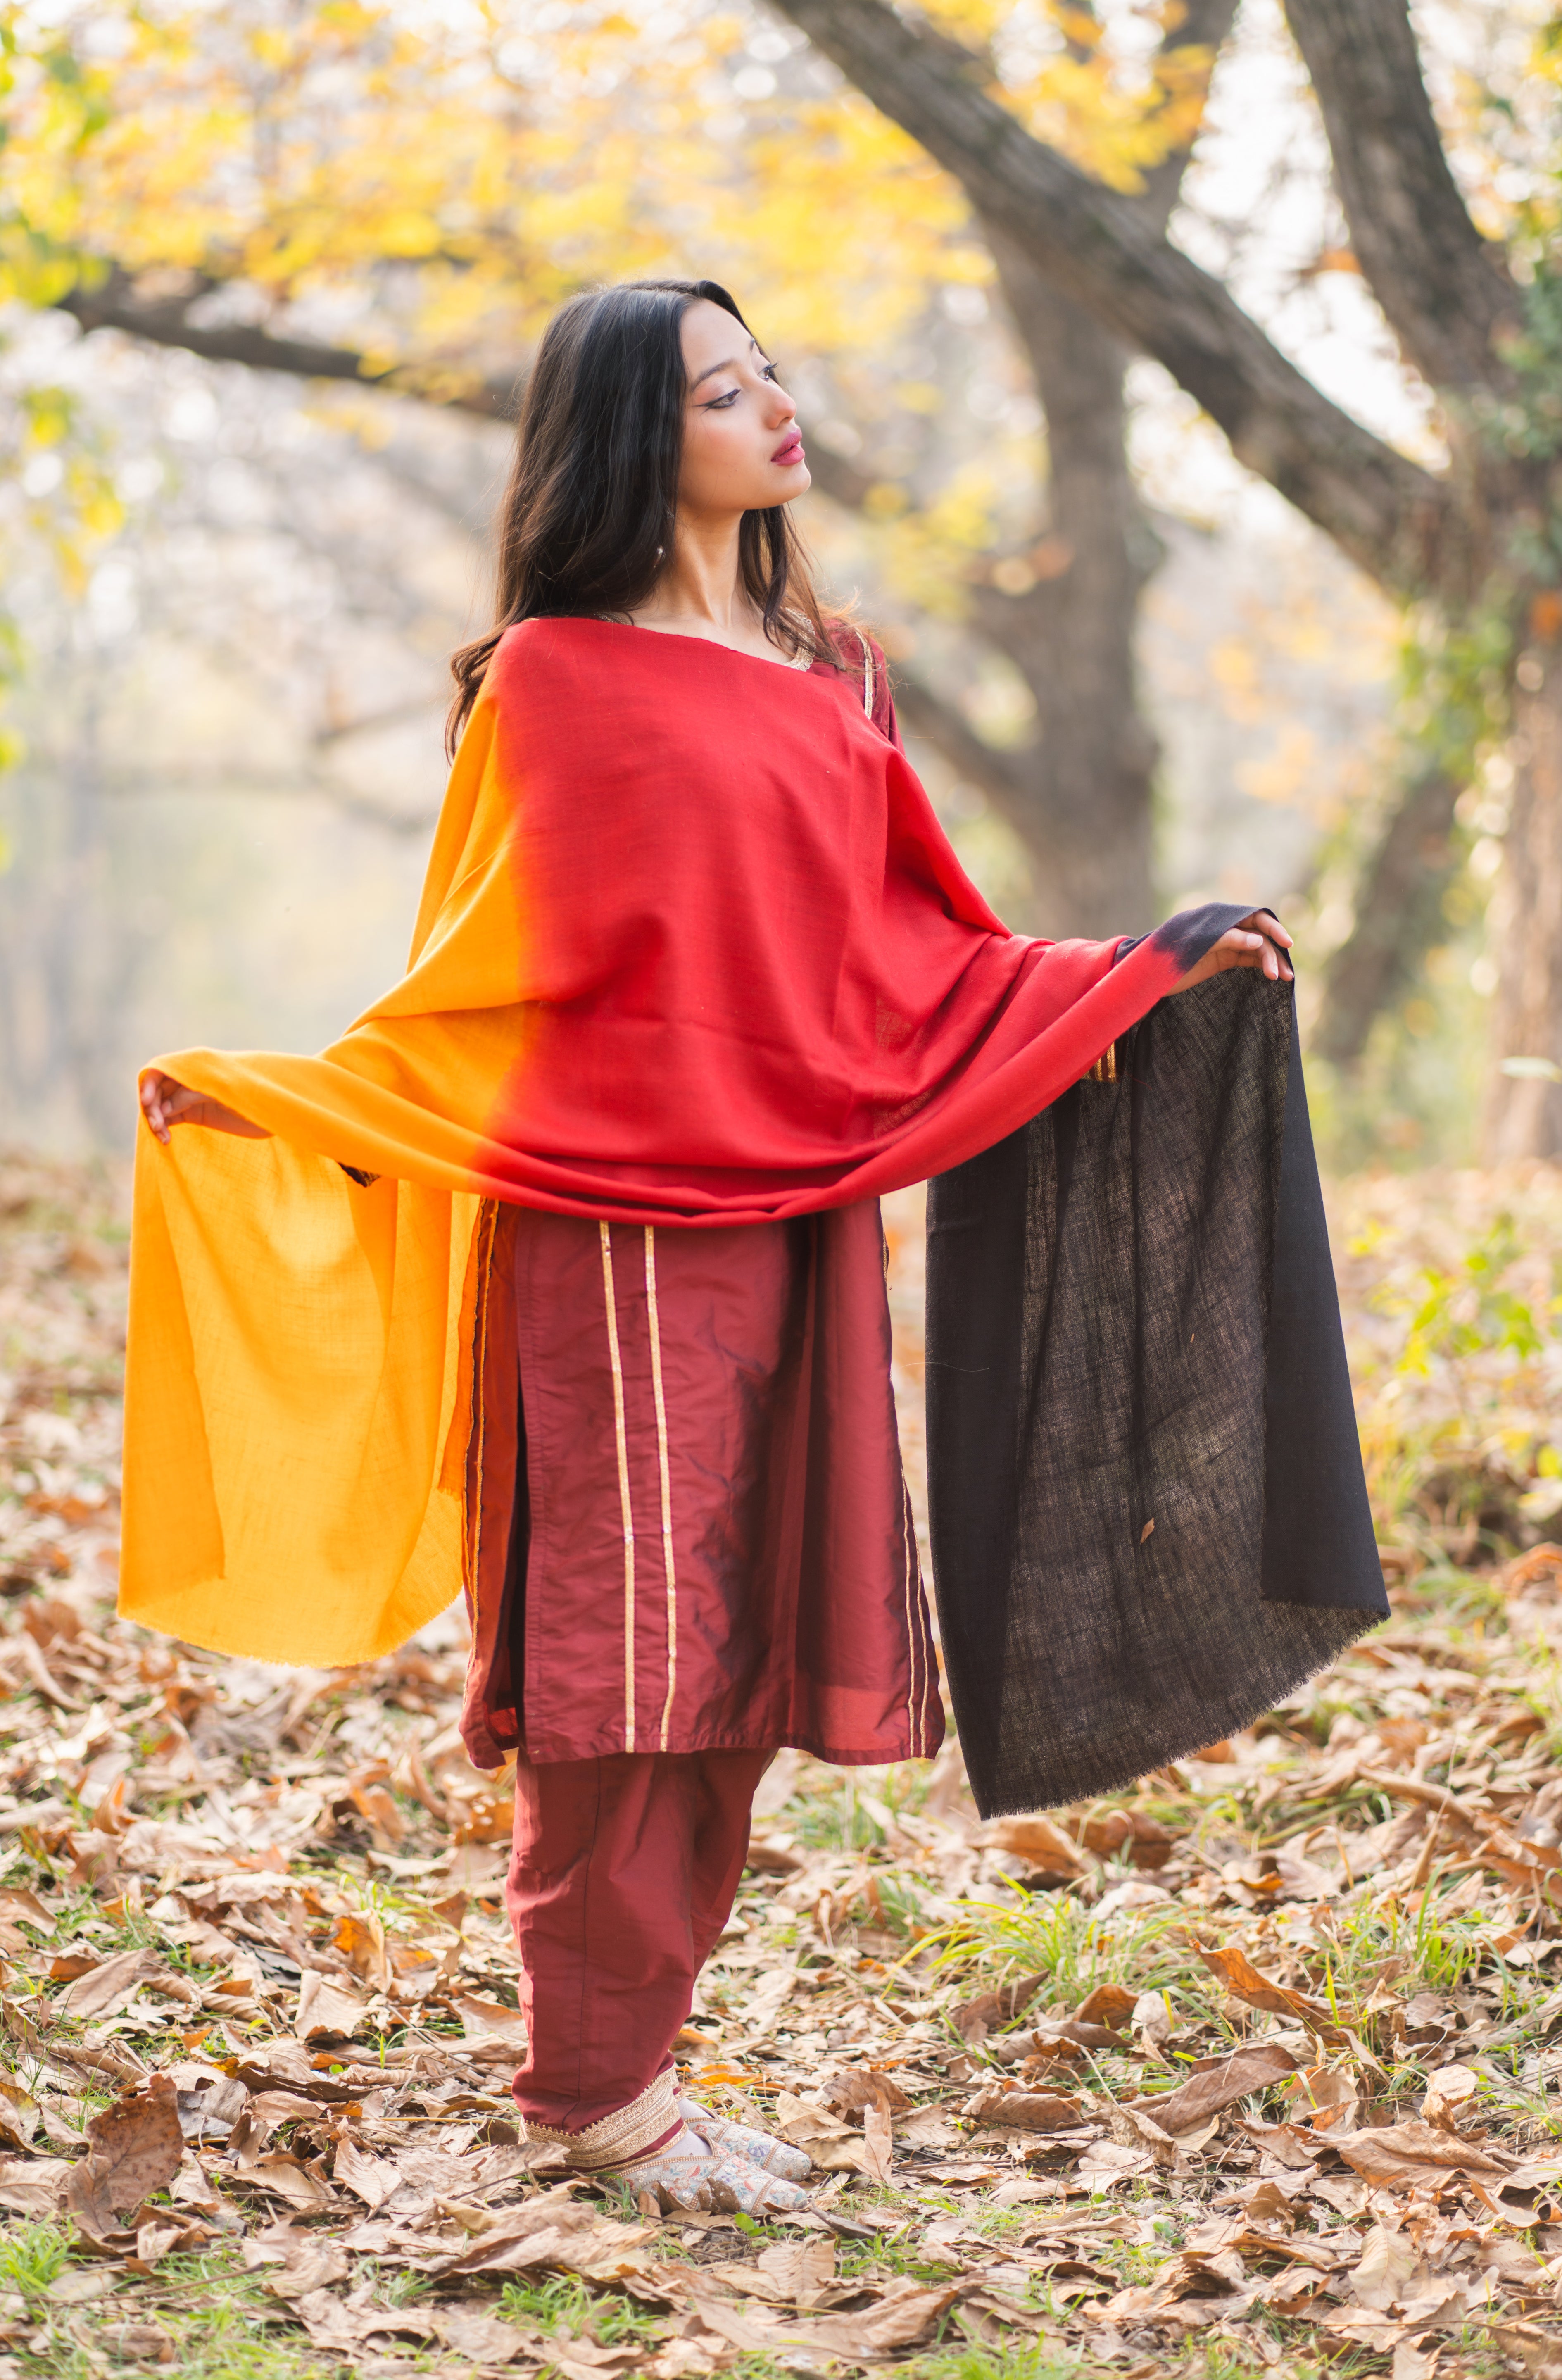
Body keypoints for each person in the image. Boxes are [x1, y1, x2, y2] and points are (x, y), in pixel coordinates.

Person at [128, 278, 1374, 2220]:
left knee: (756, 1644)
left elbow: (922, 961)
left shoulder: (835, 676)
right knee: (631, 1669)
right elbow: (475, 985)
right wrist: (300, 1099)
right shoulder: (549, 677)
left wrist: (1147, 968)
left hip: (802, 1223)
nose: (776, 406)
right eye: (724, 388)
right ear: (642, 434)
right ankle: (596, 2089)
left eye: (772, 367)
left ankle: (639, 2066)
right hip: (610, 1246)